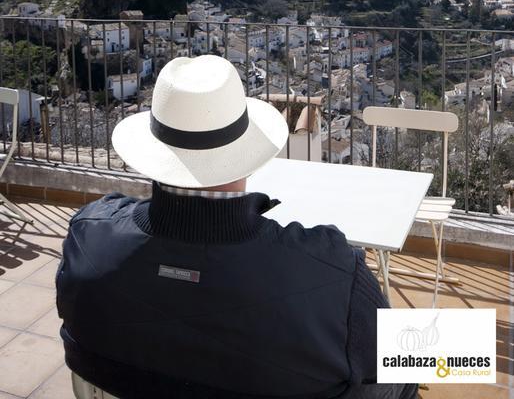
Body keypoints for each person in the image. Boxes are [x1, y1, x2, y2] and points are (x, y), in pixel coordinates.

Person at [56, 54, 418, 399]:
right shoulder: (332, 273)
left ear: (155, 150)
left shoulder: (88, 238)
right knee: (427, 355)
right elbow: (393, 357)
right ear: (247, 153)